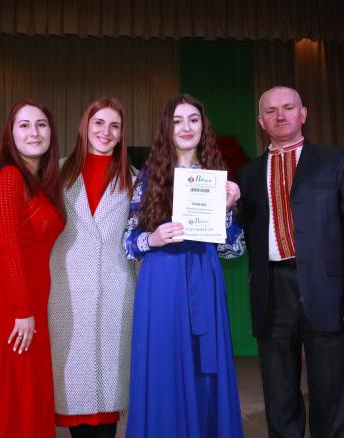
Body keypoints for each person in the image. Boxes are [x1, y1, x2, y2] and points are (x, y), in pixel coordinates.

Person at [237, 86, 344, 438]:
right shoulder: (247, 174)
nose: (280, 115)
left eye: (288, 107)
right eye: (271, 111)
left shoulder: (336, 161)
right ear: (261, 121)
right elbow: (235, 232)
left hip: (327, 291)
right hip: (271, 291)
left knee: (331, 394)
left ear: (303, 114)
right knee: (279, 396)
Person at [123, 94, 246, 438]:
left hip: (204, 277)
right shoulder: (148, 178)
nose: (186, 127)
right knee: (164, 365)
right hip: (161, 281)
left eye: (193, 119)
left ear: (203, 127)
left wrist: (227, 209)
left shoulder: (217, 179)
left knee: (204, 368)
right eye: (177, 121)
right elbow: (128, 242)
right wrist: (153, 239)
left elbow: (233, 250)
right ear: (167, 128)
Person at [0, 100, 65, 438]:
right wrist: (21, 309)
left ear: (51, 133)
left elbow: (20, 240)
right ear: (11, 134)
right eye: (24, 125)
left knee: (24, 395)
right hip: (10, 306)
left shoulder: (40, 183)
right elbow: (7, 246)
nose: (34, 132)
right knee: (9, 396)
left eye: (41, 124)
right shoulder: (9, 177)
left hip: (29, 302)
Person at [49, 97, 136, 438]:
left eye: (115, 126)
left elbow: (141, 233)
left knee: (111, 383)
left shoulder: (134, 178)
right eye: (99, 123)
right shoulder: (55, 172)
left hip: (116, 288)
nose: (106, 131)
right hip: (66, 289)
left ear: (122, 134)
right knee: (74, 384)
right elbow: (32, 222)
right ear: (84, 126)